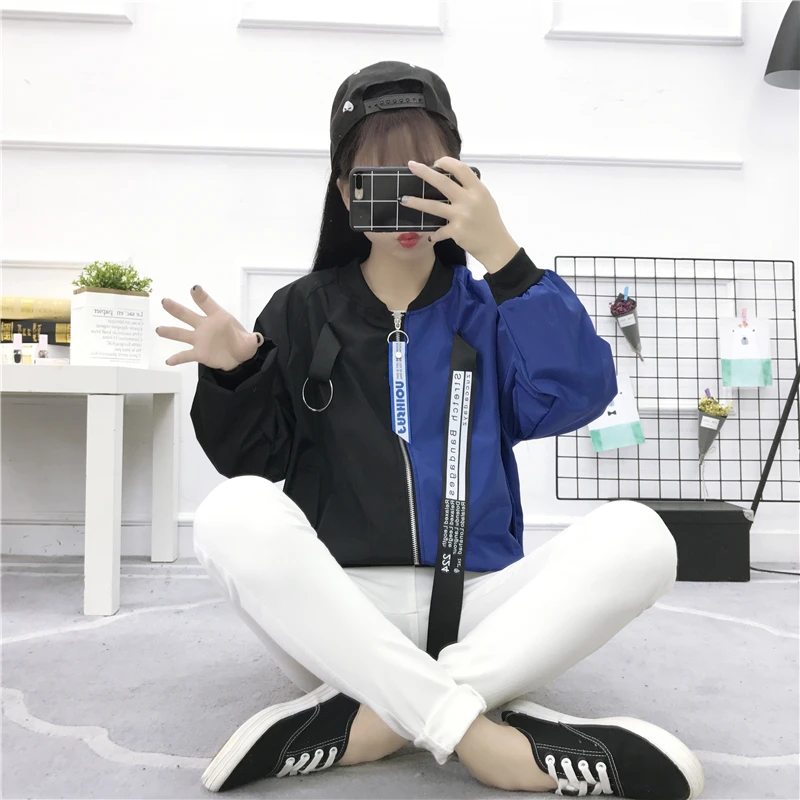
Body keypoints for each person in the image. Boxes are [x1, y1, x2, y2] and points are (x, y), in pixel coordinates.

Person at [156, 61, 705, 799]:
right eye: (381, 184)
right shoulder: (300, 310)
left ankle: (374, 720)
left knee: (644, 538)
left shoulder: (493, 307)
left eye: (426, 182)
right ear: (345, 193)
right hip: (340, 615)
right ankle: (479, 737)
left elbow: (579, 395)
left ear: (462, 182)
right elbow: (254, 461)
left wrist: (505, 256)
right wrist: (236, 373)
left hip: (482, 612)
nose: (405, 209)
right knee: (229, 514)